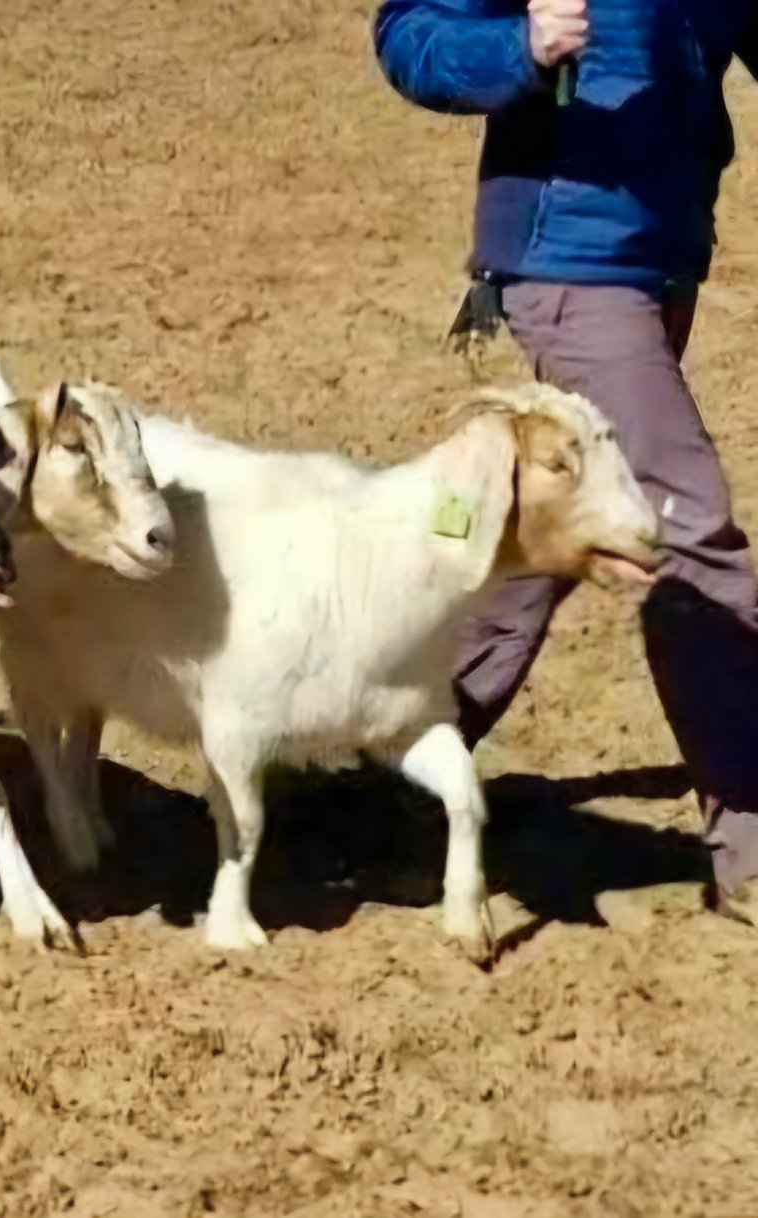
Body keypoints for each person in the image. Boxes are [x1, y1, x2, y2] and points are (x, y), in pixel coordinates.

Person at [372, 0, 758, 923]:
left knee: (544, 543)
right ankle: (751, 837)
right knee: (681, 525)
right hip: (567, 262)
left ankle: (400, 753)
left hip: (661, 255)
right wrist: (518, 45)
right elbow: (409, 33)